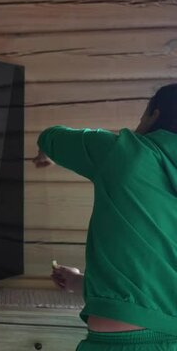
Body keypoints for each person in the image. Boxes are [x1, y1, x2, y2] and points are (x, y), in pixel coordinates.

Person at [34, 83, 177, 350]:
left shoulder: (127, 153)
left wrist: (47, 150)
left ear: (155, 115)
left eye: (142, 117)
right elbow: (160, 269)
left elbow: (51, 136)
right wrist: (82, 283)